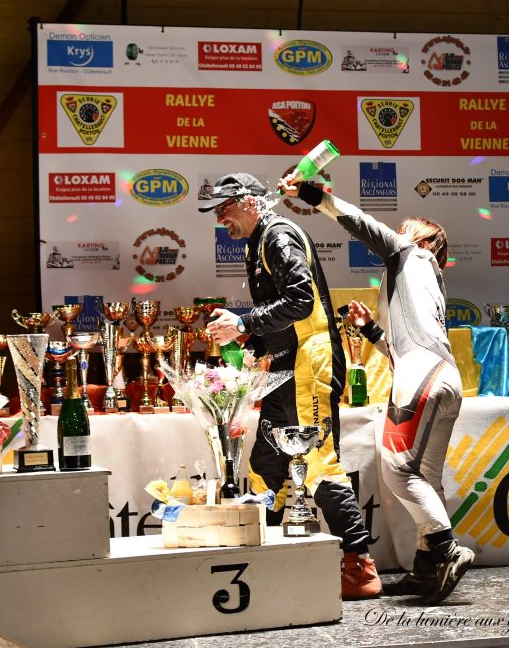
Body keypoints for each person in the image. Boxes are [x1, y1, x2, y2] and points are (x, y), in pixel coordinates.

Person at [280, 177, 474, 605]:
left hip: (420, 376)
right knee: (425, 477)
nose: (398, 230)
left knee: (398, 471)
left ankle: (445, 549)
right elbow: (400, 344)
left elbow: (360, 223)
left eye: (406, 227)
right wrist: (370, 330)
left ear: (424, 240)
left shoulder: (410, 253)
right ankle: (426, 570)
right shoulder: (425, 278)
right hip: (443, 376)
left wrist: (314, 196)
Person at [199, 173, 381, 600]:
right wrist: (253, 340)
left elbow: (301, 300)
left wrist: (244, 322)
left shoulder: (277, 236)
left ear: (246, 201)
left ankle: (360, 565)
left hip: (308, 366)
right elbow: (283, 309)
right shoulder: (261, 238)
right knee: (266, 459)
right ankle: (270, 555)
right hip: (287, 363)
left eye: (224, 209)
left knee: (318, 461)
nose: (220, 218)